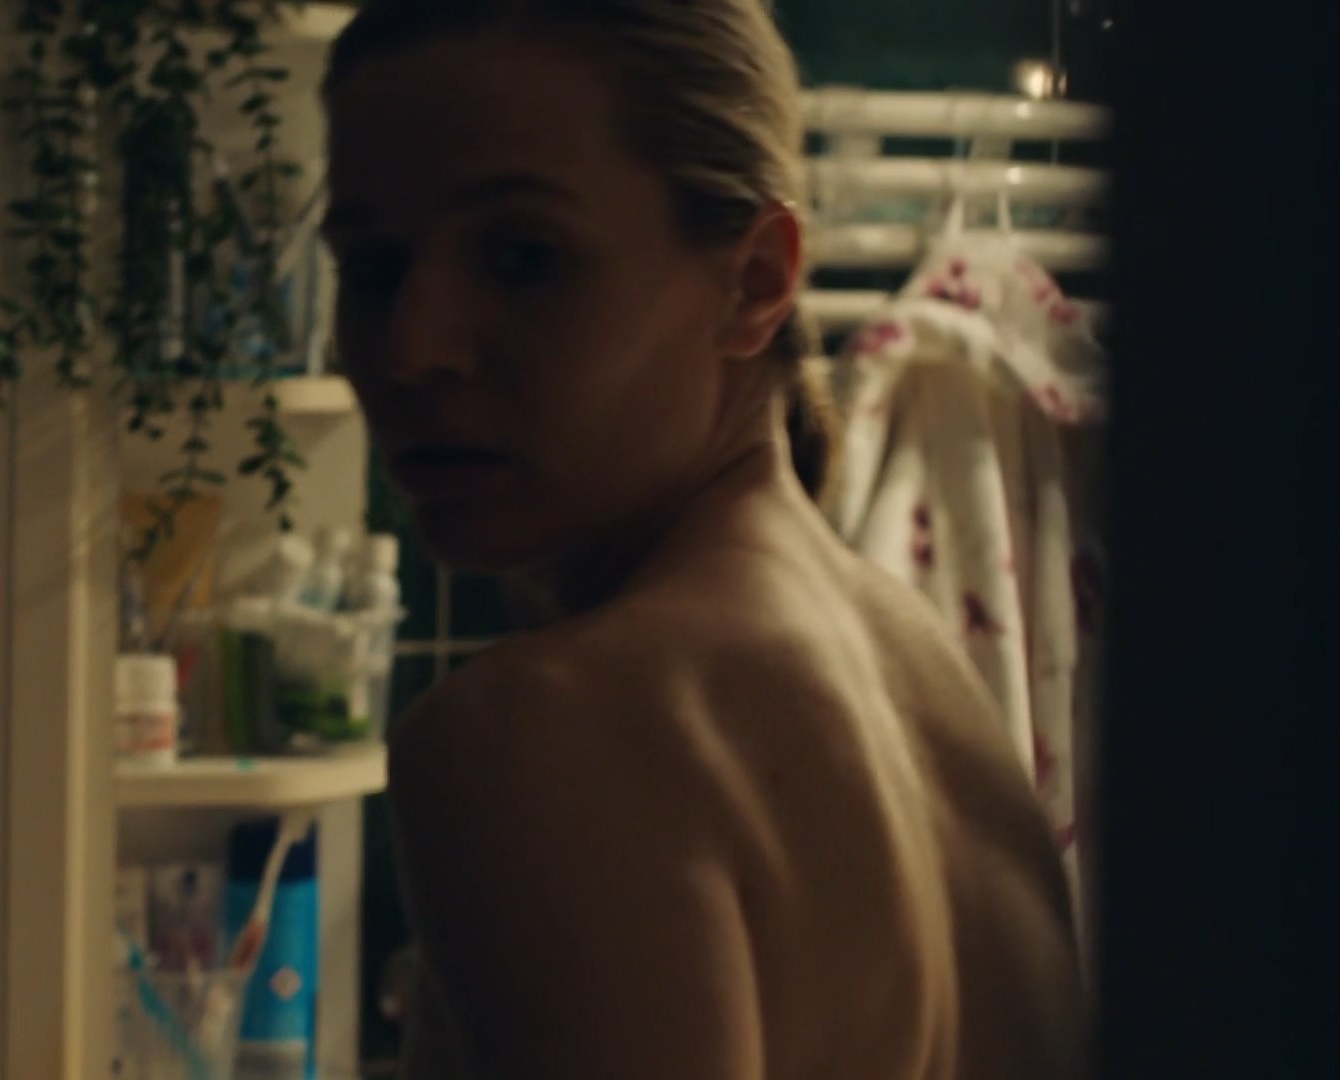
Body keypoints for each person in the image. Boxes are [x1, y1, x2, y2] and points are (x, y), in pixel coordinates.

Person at [319, 2, 1086, 1076]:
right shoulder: (939, 693)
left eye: (524, 257)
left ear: (757, 280)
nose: (413, 347)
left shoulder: (541, 730)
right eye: (373, 267)